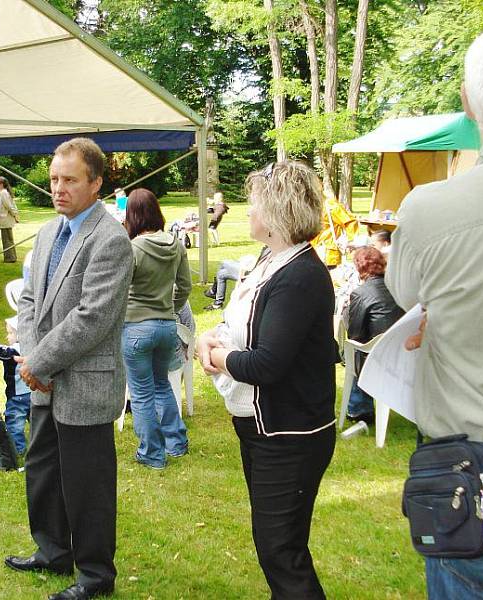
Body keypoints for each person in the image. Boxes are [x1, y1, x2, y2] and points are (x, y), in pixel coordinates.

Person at [386, 21, 483, 599]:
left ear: (469, 103)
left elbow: (408, 299)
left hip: (476, 472)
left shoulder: (429, 209)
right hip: (481, 473)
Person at [197, 160, 336, 599]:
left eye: (254, 204)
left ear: (278, 212)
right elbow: (241, 323)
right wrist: (210, 336)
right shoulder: (270, 261)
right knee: (274, 544)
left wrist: (219, 357)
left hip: (290, 433)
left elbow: (267, 363)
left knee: (281, 549)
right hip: (261, 427)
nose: (247, 211)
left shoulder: (299, 276)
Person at [6, 138, 133, 600]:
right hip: (44, 380)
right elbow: (29, 298)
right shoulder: (46, 232)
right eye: (54, 179)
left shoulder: (110, 239)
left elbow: (93, 317)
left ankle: (95, 576)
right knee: (43, 473)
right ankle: (52, 551)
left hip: (84, 385)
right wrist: (33, 359)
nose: (58, 188)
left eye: (70, 180)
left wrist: (37, 362)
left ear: (96, 184)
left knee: (88, 487)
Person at [122, 187, 191, 469]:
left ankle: (152, 454)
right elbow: (185, 286)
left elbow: (119, 288)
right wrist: (170, 308)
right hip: (166, 326)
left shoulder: (133, 248)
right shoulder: (176, 244)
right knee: (162, 385)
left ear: (132, 216)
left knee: (141, 392)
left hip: (136, 327)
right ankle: (176, 442)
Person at [342, 246, 404, 421]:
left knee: (356, 352)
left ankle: (359, 409)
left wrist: (347, 312)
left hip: (378, 358)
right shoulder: (398, 287)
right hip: (406, 353)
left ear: (358, 267)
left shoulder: (361, 293)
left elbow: (355, 334)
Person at [0, 317, 31, 456]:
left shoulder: (15, 351)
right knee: (37, 422)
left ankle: (18, 450)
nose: (8, 336)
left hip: (18, 397)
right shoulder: (33, 347)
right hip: (34, 393)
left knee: (15, 424)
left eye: (10, 333)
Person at [311, 190, 358, 268]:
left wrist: (350, 242)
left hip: (328, 253)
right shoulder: (311, 206)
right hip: (313, 250)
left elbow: (350, 222)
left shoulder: (330, 206)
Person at [0, 176, 20, 263]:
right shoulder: (4, 192)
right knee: (8, 238)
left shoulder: (3, 193)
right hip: (5, 219)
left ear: (1, 184)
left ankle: (10, 258)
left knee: (7, 239)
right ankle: (11, 257)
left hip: (5, 219)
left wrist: (15, 215)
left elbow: (9, 206)